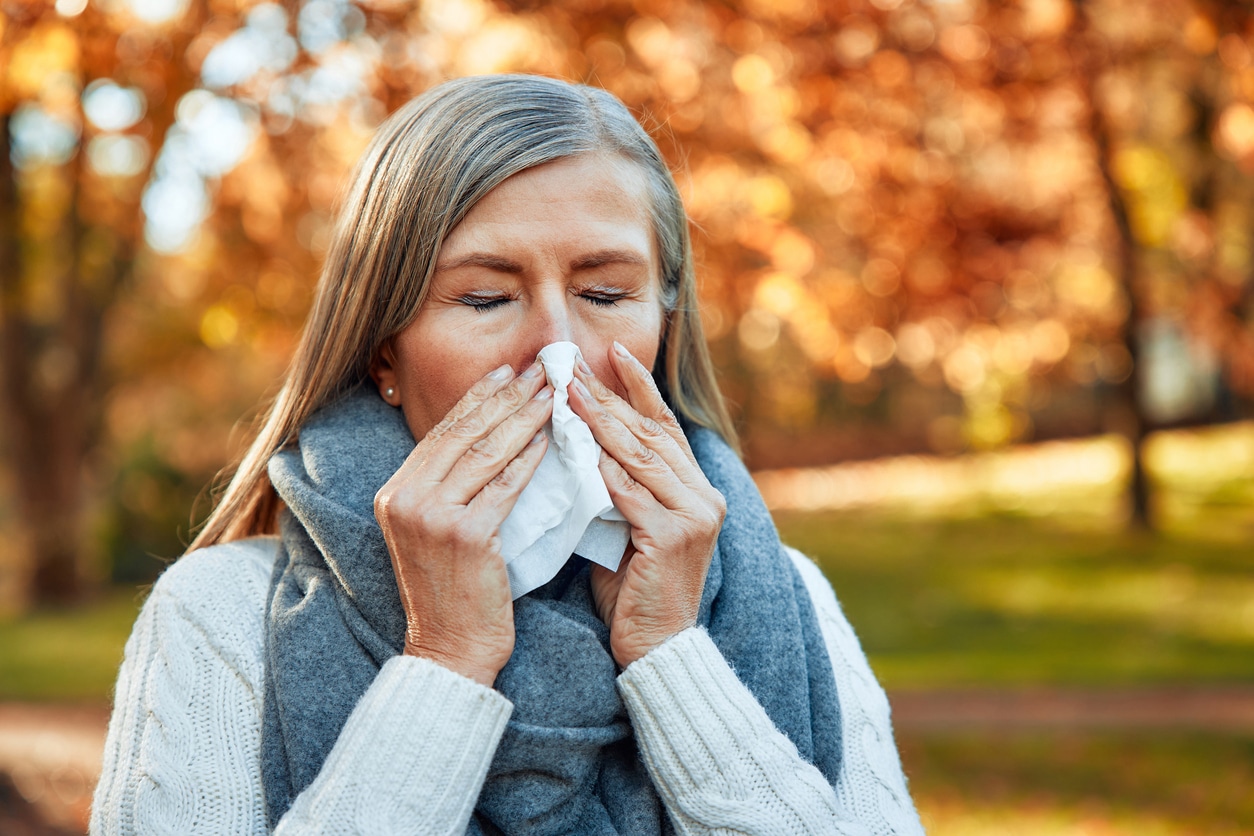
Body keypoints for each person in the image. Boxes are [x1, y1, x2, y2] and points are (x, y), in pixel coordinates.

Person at [90, 74, 924, 835]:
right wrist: (444, 662)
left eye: (605, 294)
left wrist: (672, 650)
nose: (555, 351)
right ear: (384, 353)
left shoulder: (790, 595)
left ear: (665, 322)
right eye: (486, 298)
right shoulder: (219, 613)